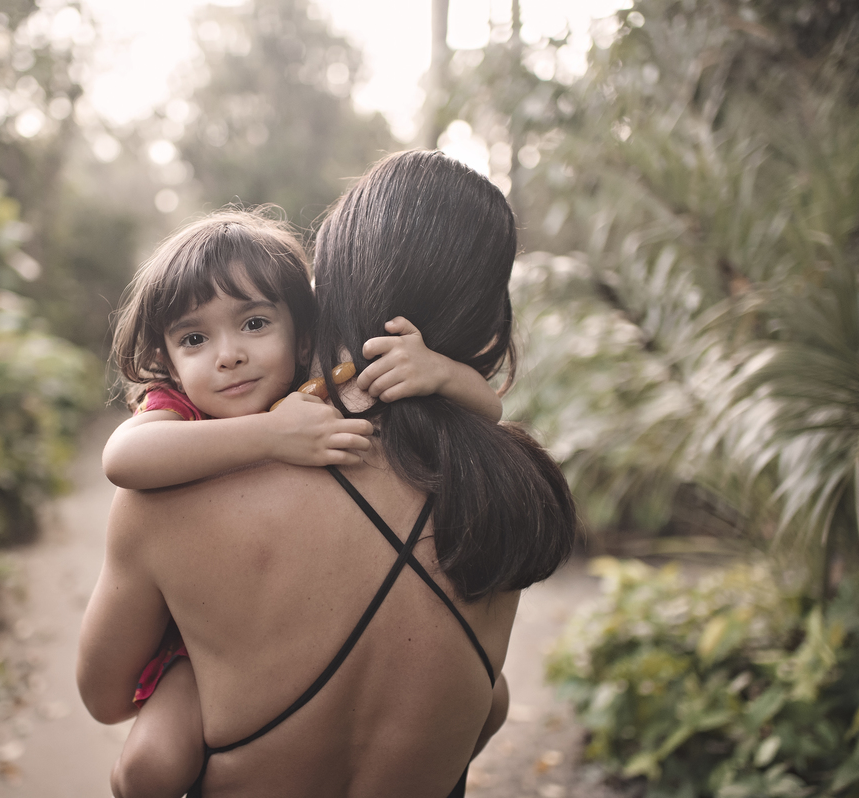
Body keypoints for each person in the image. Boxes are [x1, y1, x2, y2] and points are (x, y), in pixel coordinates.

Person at [78, 150, 576, 798]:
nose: (229, 355)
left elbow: (106, 697)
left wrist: (210, 662)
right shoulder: (507, 491)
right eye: (194, 339)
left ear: (318, 304)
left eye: (254, 323)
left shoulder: (169, 499)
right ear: (486, 310)